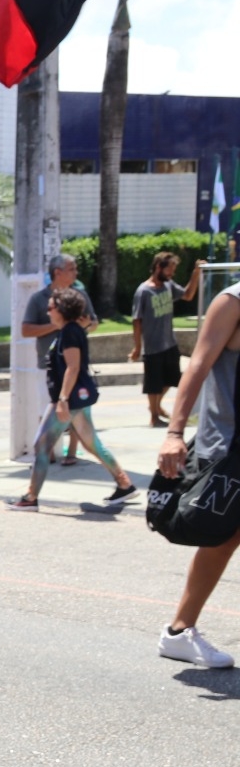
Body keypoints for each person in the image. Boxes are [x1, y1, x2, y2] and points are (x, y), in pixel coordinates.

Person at [155, 278, 240, 667]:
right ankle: (179, 631)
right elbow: (198, 366)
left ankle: (179, 630)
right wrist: (174, 433)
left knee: (227, 539)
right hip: (230, 443)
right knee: (223, 539)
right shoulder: (232, 301)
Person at [7, 288, 137, 512]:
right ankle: (124, 484)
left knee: (41, 445)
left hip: (68, 400)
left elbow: (73, 367)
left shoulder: (69, 333)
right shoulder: (71, 330)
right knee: (91, 443)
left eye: (51, 307)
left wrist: (63, 399)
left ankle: (30, 497)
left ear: (62, 310)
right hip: (76, 399)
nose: (48, 311)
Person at [21, 253, 99, 464]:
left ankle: (72, 452)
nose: (76, 273)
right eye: (72, 269)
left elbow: (93, 323)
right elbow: (26, 330)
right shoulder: (39, 299)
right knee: (46, 408)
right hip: (47, 365)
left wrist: (80, 326)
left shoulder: (80, 296)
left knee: (76, 407)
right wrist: (57, 325)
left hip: (75, 363)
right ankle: (46, 452)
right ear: (58, 272)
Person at [132, 251, 205, 427]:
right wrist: (137, 347)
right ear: (159, 267)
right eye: (169, 269)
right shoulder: (144, 291)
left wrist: (196, 274)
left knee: (172, 379)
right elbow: (136, 320)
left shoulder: (168, 285)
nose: (172, 273)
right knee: (153, 384)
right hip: (153, 346)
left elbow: (187, 295)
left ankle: (156, 407)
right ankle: (154, 417)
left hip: (169, 342)